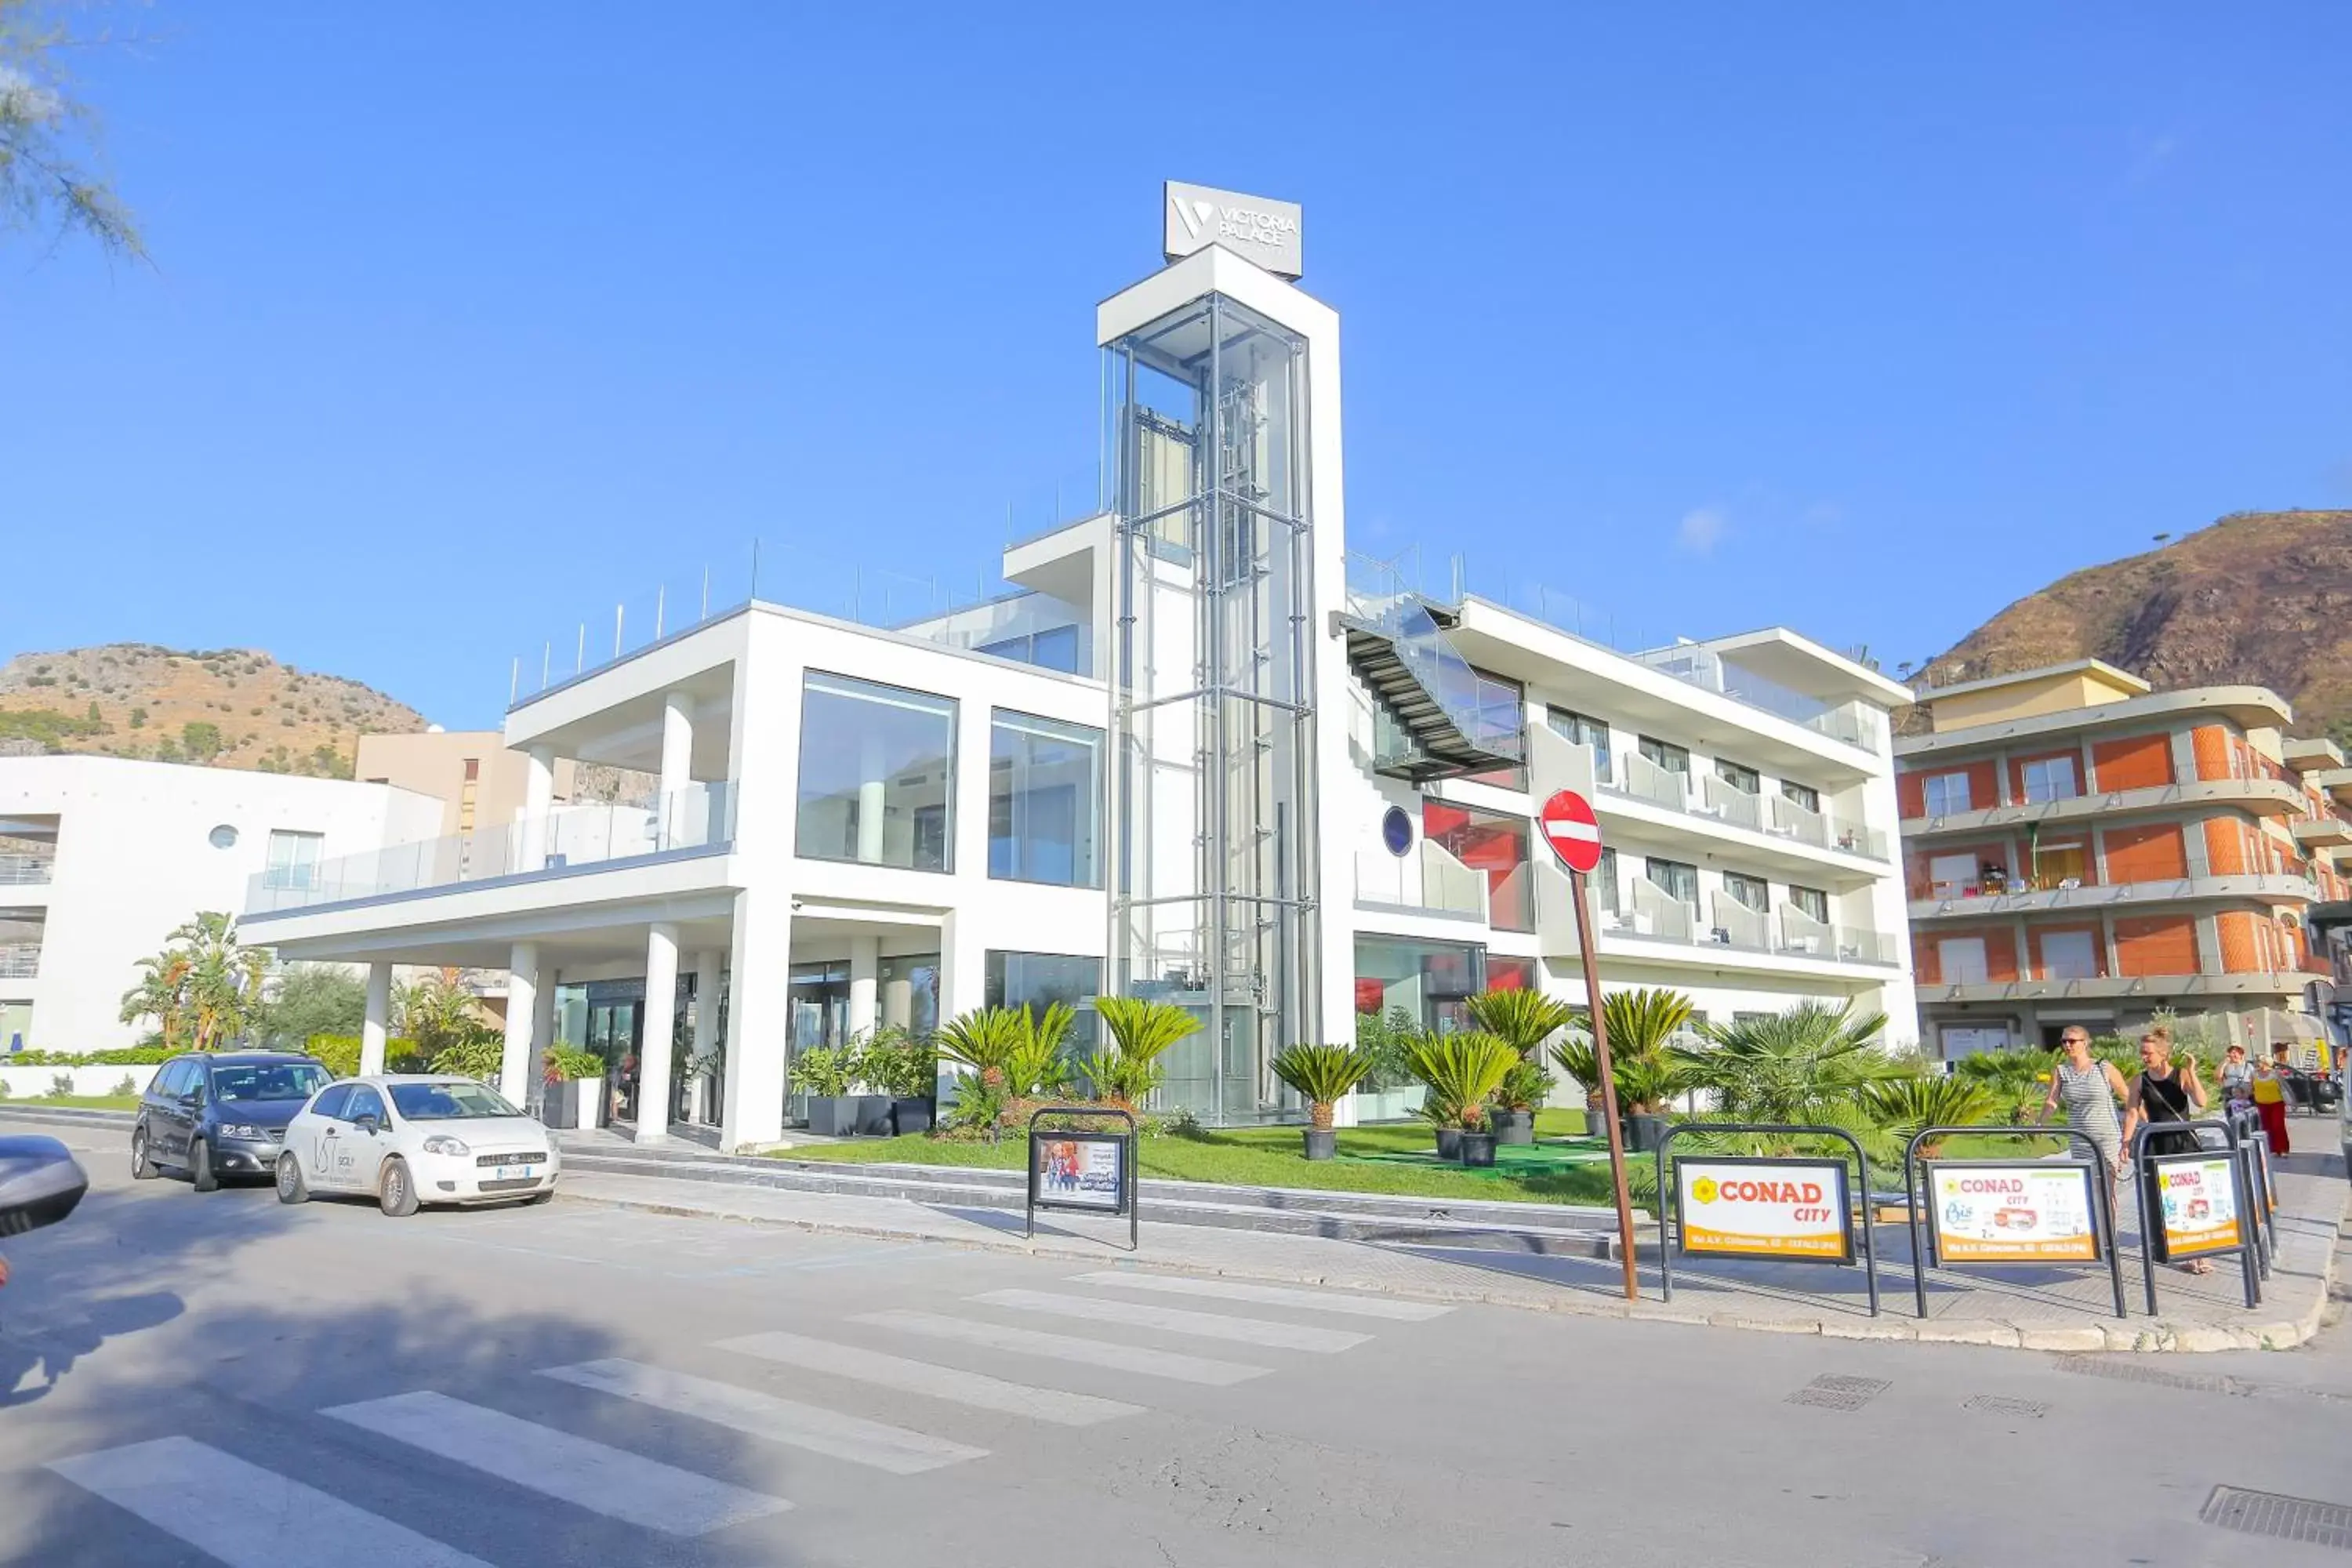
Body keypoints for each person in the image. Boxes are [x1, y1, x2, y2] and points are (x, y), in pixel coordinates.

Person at [2122, 1029, 2212, 1274]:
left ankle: (2200, 1255)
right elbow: (2132, 1112)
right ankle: (2174, 1249)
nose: (2144, 1057)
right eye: (2142, 1052)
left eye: (2148, 1053)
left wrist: (2192, 1071)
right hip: (2157, 1144)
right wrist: (2126, 1142)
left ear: (2163, 1053)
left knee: (2190, 1198)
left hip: (2183, 1143)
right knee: (2165, 1200)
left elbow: (2202, 1102)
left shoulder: (2180, 1075)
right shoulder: (2140, 1080)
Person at [2038, 1027, 2129, 1195]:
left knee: (2107, 1192)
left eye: (2072, 1041)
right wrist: (2039, 1124)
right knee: (2089, 1192)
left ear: (2084, 1043)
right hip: (2080, 1139)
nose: (2067, 1045)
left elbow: (2128, 1098)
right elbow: (2051, 1101)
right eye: (2064, 1041)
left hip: (2106, 1138)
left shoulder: (2103, 1067)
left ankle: (2111, 1222)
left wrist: (2138, 1127)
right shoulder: (2061, 1071)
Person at [2250, 1047, 2292, 1156]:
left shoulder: (2276, 1073)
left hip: (2276, 1103)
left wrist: (2289, 1100)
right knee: (2266, 1127)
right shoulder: (2254, 1074)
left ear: (2265, 1062)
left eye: (2258, 1061)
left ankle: (2282, 1149)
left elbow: (2284, 1087)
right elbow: (2251, 1088)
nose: (2256, 1064)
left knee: (2278, 1125)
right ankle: (2272, 1149)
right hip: (2261, 1104)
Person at [2218, 1044, 2254, 1114]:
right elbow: (2218, 1077)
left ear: (2241, 1054)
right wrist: (2224, 1063)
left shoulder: (2248, 1066)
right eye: (2230, 1053)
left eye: (2235, 1053)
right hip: (2229, 1094)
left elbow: (2252, 1080)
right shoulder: (2226, 1066)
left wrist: (2247, 1093)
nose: (2232, 1055)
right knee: (2231, 1116)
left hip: (2243, 1095)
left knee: (2244, 1117)